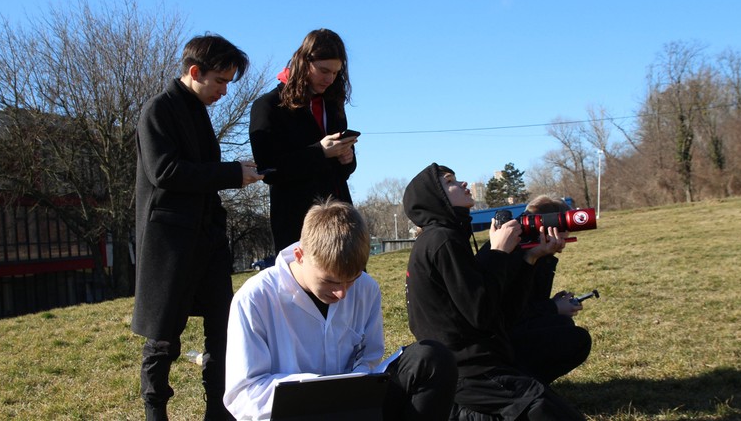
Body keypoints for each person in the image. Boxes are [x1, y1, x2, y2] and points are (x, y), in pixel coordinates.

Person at [224, 199, 457, 421]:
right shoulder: (255, 298)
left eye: (351, 280)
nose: (342, 294)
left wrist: (359, 381)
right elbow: (243, 393)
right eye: (330, 282)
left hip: (357, 407)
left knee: (433, 358)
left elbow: (371, 357)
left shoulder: (366, 288)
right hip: (297, 413)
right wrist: (317, 391)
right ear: (300, 256)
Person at [132, 33, 262, 421]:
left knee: (222, 332)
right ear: (194, 72)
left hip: (206, 240)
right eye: (220, 80)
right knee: (163, 338)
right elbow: (164, 172)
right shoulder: (158, 109)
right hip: (170, 243)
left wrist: (235, 174)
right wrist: (231, 173)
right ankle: (155, 412)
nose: (224, 90)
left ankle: (217, 413)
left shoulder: (196, 111)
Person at [402, 163, 585, 421]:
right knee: (550, 411)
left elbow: (503, 313)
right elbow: (481, 312)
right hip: (467, 370)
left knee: (567, 343)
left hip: (481, 359)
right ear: (435, 197)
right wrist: (498, 252)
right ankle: (458, 412)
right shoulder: (442, 240)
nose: (462, 183)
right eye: (449, 181)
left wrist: (531, 258)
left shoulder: (448, 237)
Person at [249, 28, 358, 253]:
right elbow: (268, 170)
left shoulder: (333, 105)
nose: (330, 79)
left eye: (336, 73)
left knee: (352, 285)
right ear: (303, 62)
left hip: (340, 219)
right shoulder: (268, 106)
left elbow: (341, 172)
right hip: (297, 225)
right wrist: (320, 152)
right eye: (323, 70)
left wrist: (347, 158)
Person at [505, 195, 592, 386]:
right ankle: (522, 388)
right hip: (500, 342)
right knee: (577, 339)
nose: (567, 234)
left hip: (510, 333)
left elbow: (528, 302)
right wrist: (553, 307)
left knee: (562, 324)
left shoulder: (537, 253)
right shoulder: (516, 254)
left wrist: (552, 304)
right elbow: (510, 314)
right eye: (563, 227)